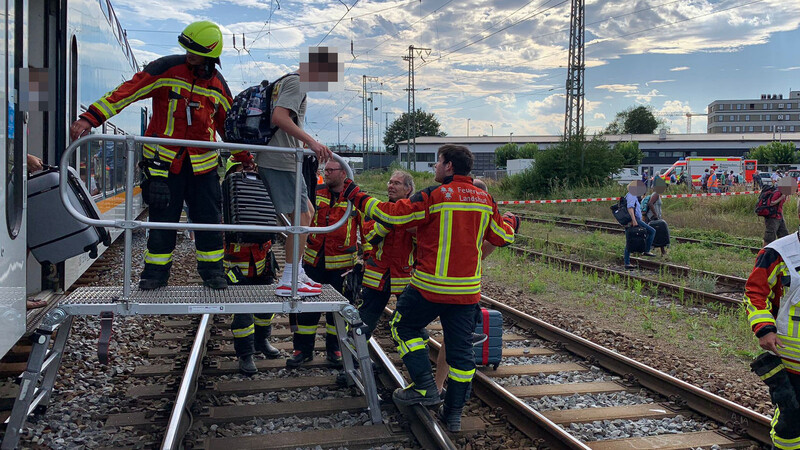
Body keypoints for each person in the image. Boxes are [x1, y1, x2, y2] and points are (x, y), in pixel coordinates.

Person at [339, 144, 519, 432]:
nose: (434, 168)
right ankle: (453, 416)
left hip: (429, 288)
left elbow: (392, 214)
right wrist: (510, 220)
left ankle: (424, 386)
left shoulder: (433, 195)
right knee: (462, 358)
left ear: (448, 166)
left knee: (402, 326)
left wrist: (355, 193)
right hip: (466, 293)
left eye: (437, 162)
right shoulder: (485, 199)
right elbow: (501, 237)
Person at [69, 21, 235, 290]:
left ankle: (213, 273)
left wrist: (247, 160)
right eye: (186, 48)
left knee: (209, 223)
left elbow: (229, 128)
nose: (188, 53)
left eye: (194, 50)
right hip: (163, 167)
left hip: (203, 170)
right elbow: (127, 92)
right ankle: (155, 276)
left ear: (210, 54)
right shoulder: (166, 69)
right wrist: (92, 117)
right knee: (162, 223)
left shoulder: (218, 86)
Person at [237, 60, 337, 297]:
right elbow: (280, 118)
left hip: (281, 158)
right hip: (282, 161)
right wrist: (311, 142)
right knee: (301, 217)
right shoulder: (297, 82)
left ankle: (296, 273)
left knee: (307, 213)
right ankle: (290, 280)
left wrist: (304, 141)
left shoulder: (285, 81)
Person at [286, 158, 365, 368]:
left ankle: (336, 349)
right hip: (313, 261)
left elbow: (366, 229)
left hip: (342, 267)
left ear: (343, 173)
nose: (326, 172)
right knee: (306, 309)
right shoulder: (315, 191)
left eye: (330, 170)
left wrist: (365, 258)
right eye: (325, 169)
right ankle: (302, 350)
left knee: (338, 312)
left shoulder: (355, 198)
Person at [743, 215, 800, 449]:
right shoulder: (778, 253)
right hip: (792, 356)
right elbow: (755, 293)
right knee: (791, 418)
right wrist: (765, 330)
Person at [222, 158, 282, 375]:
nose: (248, 170)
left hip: (262, 261)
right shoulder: (225, 195)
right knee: (243, 314)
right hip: (236, 266)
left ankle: (262, 341)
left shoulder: (262, 188)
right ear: (232, 171)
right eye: (243, 167)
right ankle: (245, 355)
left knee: (265, 308)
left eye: (251, 167)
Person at [358, 170, 416, 338]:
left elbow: (424, 242)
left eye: (396, 183)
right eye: (390, 182)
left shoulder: (415, 212)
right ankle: (356, 358)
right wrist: (392, 217)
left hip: (404, 275)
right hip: (377, 276)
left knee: (410, 321)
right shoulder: (378, 210)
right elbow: (371, 236)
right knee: (365, 320)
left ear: (408, 189)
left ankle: (414, 359)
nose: (391, 186)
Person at [623, 180, 656, 270]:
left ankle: (627, 262)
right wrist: (634, 220)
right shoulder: (632, 195)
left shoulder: (630, 195)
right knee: (652, 231)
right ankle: (646, 250)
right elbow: (630, 208)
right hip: (633, 220)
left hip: (632, 220)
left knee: (629, 240)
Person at [764, 177, 792, 247]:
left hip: (779, 216)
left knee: (784, 235)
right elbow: (771, 203)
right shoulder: (777, 192)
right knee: (770, 237)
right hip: (772, 217)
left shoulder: (783, 193)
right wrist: (781, 198)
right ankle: (764, 254)